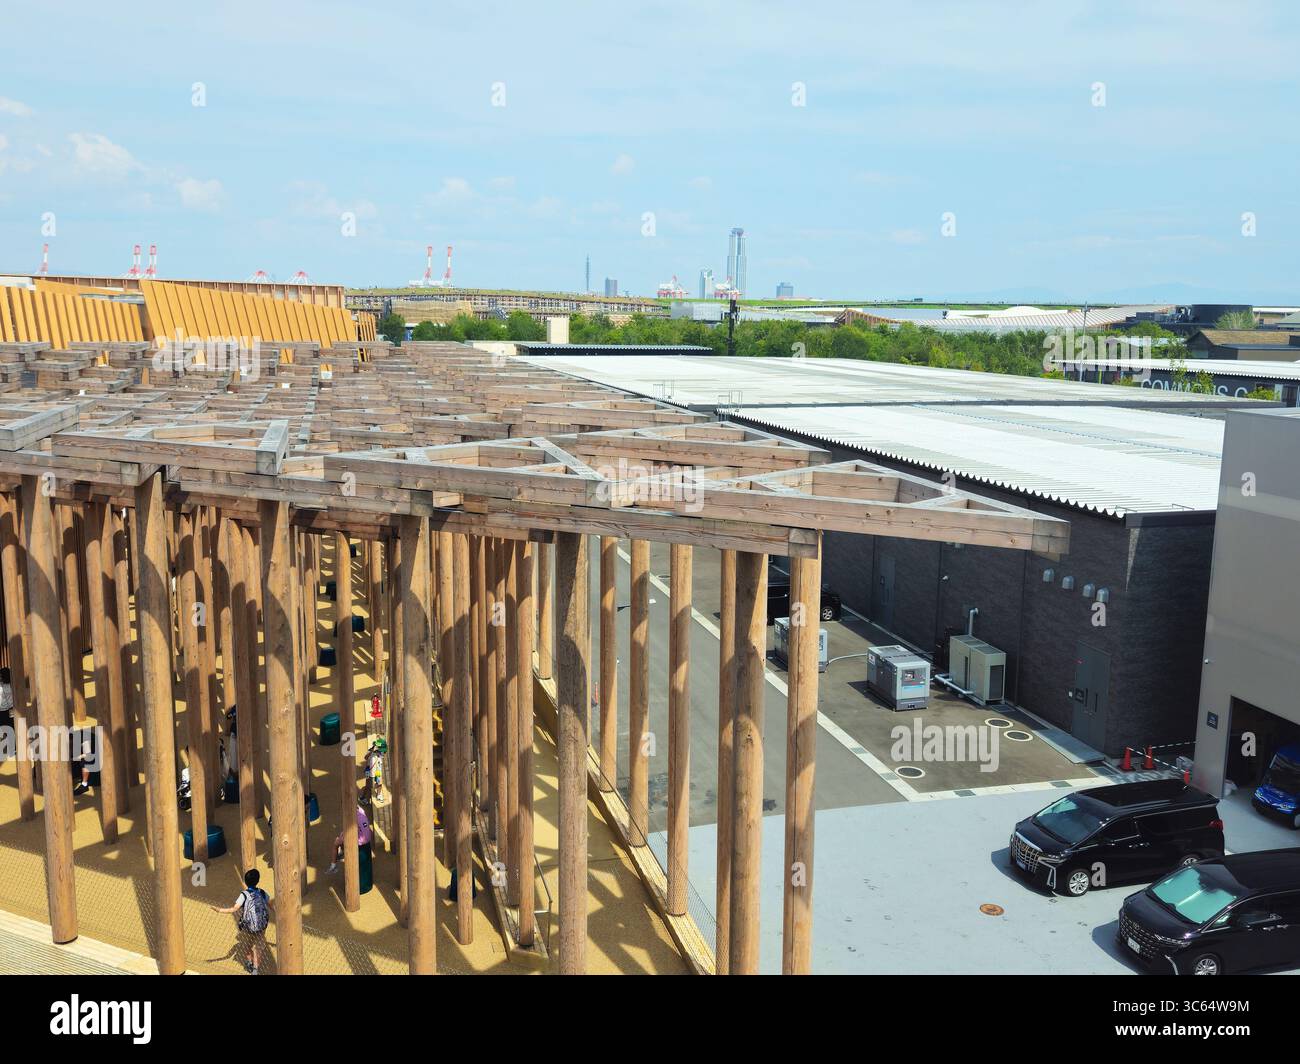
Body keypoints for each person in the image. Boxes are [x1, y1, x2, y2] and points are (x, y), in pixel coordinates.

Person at [211, 869, 273, 974]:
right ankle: (255, 970)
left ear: (245, 881)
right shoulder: (262, 892)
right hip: (261, 926)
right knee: (259, 949)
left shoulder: (244, 895)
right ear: (258, 880)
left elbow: (234, 909)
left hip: (248, 927)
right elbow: (271, 906)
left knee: (247, 946)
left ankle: (249, 963)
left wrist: (219, 910)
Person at [327, 804, 373, 873]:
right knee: (342, 835)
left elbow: (349, 831)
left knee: (336, 843)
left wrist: (341, 837)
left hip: (360, 841)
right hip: (368, 838)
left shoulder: (352, 817)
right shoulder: (361, 810)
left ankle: (333, 866)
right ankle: (342, 851)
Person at [0, 666, 14, 733]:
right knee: (11, 728)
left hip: (2, 711)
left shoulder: (1, 686)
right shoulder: (13, 684)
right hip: (11, 709)